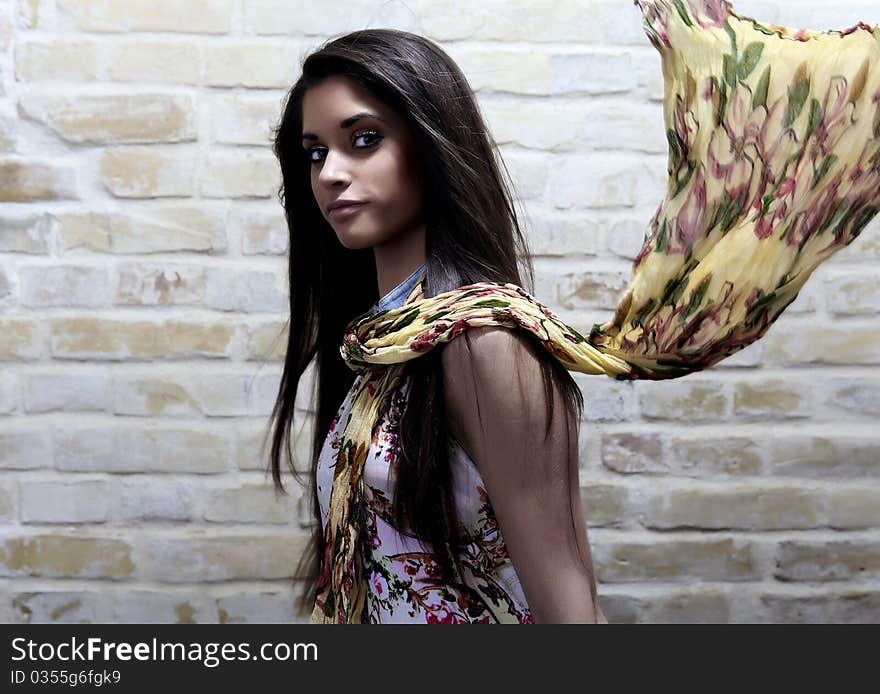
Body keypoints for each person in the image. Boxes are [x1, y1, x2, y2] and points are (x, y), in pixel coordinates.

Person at [265, 0, 880, 624]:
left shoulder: (484, 345)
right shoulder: (379, 348)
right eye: (315, 152)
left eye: (364, 140)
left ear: (431, 145)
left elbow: (570, 608)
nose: (330, 174)